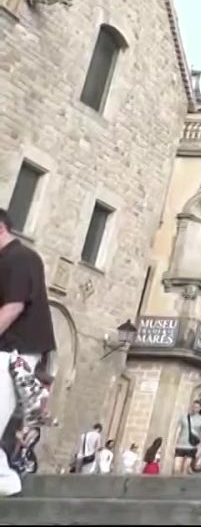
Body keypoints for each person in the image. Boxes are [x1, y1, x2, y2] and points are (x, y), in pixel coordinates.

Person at [0, 207, 56, 497]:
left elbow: (13, 307)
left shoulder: (21, 258)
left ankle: (6, 480)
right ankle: (4, 479)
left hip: (15, 350)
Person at [173, 402, 201, 475]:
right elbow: (178, 430)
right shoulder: (183, 417)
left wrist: (200, 448)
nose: (194, 408)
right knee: (176, 468)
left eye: (197, 407)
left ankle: (182, 485)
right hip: (180, 445)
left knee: (185, 469)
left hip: (192, 446)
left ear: (200, 408)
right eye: (193, 406)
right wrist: (174, 443)